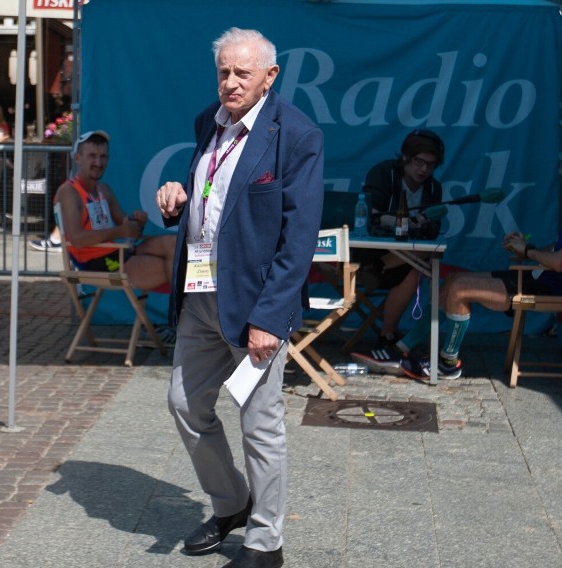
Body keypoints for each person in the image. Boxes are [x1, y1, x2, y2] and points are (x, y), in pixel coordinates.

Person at [155, 28, 323, 568]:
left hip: (255, 306)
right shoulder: (209, 121)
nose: (229, 82)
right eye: (223, 72)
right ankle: (232, 502)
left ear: (270, 76)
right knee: (184, 404)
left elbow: (298, 240)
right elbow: (214, 200)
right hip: (201, 297)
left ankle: (265, 541)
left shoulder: (296, 135)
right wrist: (178, 201)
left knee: (260, 423)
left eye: (241, 73)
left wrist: (271, 318)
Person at [394, 147, 562, 380]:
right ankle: (404, 347)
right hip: (541, 278)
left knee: (460, 289)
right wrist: (523, 248)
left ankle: (447, 363)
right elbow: (556, 251)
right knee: (452, 279)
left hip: (555, 287)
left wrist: (528, 251)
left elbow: (561, 263)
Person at [350, 129, 445, 372]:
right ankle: (388, 333)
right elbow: (370, 213)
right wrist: (400, 222)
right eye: (419, 162)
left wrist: (423, 224)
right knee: (415, 265)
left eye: (430, 165)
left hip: (402, 262)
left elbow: (434, 229)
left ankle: (386, 336)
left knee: (428, 256)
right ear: (405, 157)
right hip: (370, 254)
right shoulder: (385, 173)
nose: (423, 170)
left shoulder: (433, 188)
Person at [54, 130, 176, 291]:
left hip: (117, 254)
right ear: (78, 158)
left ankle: (184, 310)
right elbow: (77, 239)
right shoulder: (68, 192)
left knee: (174, 244)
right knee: (173, 267)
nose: (98, 162)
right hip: (95, 263)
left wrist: (136, 222)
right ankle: (183, 312)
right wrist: (120, 231)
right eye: (92, 156)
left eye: (103, 156)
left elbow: (128, 229)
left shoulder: (104, 190)